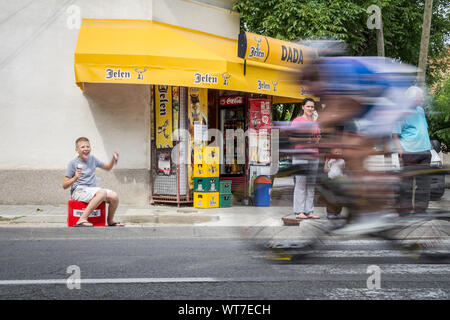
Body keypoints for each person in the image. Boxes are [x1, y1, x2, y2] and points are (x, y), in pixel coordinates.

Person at [63, 137, 124, 227]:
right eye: (82, 147)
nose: (86, 149)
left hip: (92, 190)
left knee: (114, 196)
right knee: (101, 192)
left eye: (88, 146)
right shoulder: (72, 163)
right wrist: (75, 178)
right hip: (78, 191)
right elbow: (64, 185)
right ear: (77, 150)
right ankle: (82, 219)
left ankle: (110, 221)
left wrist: (113, 159)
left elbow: (107, 167)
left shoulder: (92, 159)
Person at [392, 85, 432, 214]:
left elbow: (423, 129)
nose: (422, 99)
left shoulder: (420, 110)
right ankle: (404, 209)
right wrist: (400, 150)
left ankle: (421, 210)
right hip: (409, 152)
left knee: (424, 183)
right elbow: (395, 135)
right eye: (420, 97)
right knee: (407, 183)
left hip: (425, 151)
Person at [291, 98, 321, 219]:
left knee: (311, 185)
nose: (310, 109)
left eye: (312, 107)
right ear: (303, 107)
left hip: (314, 155)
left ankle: (309, 211)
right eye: (308, 106)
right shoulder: (297, 121)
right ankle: (299, 211)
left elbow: (317, 139)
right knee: (301, 183)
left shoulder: (315, 122)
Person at [323, 148, 345, 219]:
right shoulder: (331, 161)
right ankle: (330, 213)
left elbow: (344, 170)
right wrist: (327, 160)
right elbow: (326, 170)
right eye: (336, 152)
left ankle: (337, 213)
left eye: (339, 152)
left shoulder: (342, 161)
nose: (337, 154)